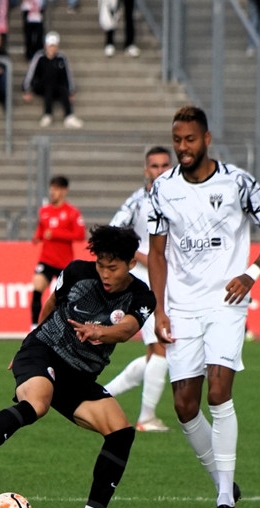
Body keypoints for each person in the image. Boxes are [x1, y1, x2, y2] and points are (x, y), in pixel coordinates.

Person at [0, 225, 156, 508]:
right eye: (100, 265)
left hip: (79, 375)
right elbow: (51, 304)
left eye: (112, 267)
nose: (105, 273)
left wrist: (98, 332)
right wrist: (28, 347)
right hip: (43, 350)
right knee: (37, 403)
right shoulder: (77, 272)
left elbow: (126, 330)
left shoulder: (141, 296)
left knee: (121, 432)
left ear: (131, 264)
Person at [147, 105, 260, 508]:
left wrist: (252, 273)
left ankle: (224, 502)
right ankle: (224, 482)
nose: (182, 147)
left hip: (227, 302)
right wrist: (159, 308)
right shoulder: (163, 188)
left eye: (189, 139)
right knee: (184, 406)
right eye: (177, 140)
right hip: (181, 307)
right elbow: (156, 253)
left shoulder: (238, 182)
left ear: (206, 139)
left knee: (219, 391)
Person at [104, 146, 173, 432]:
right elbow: (111, 234)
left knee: (161, 352)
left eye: (165, 165)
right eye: (154, 166)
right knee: (161, 348)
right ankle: (146, 418)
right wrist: (143, 257)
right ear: (146, 170)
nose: (160, 171)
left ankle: (102, 393)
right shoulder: (137, 201)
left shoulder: (181, 198)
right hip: (145, 278)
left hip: (173, 280)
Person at [29, 175, 86, 326]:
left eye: (56, 189)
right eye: (51, 188)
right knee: (36, 289)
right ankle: (34, 327)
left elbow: (80, 235)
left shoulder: (72, 212)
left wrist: (55, 234)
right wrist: (37, 237)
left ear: (64, 191)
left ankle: (64, 326)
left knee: (63, 298)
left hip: (64, 263)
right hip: (46, 260)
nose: (52, 192)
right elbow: (41, 230)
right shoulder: (44, 211)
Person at [22, 31, 83, 129]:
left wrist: (71, 91)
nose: (52, 48)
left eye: (54, 46)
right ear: (46, 46)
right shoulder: (39, 57)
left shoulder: (61, 58)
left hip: (57, 86)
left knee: (61, 87)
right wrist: (26, 90)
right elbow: (31, 73)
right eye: (50, 46)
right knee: (48, 84)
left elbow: (68, 75)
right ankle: (47, 114)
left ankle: (69, 116)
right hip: (41, 85)